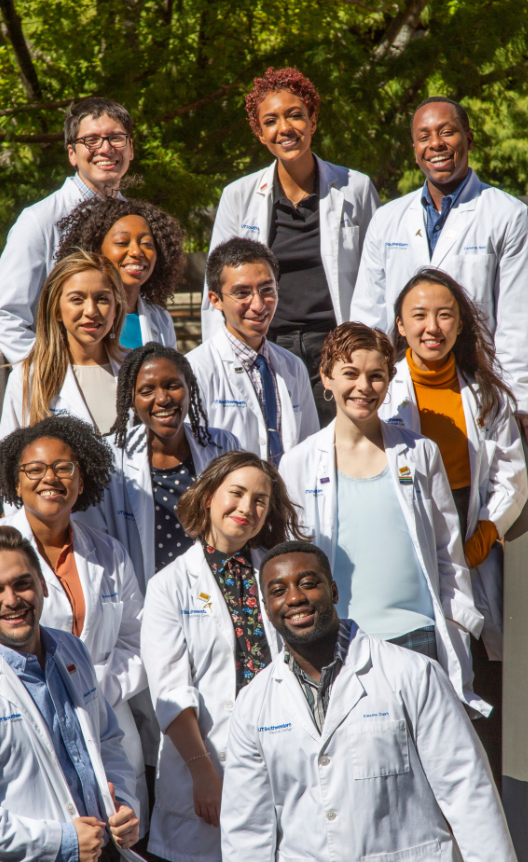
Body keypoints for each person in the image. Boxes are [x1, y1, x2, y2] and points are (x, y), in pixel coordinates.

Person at [220, 541, 516, 862]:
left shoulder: (413, 673)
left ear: (333, 591)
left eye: (308, 583)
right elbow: (247, 829)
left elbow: (466, 790)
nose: (294, 598)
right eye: (278, 591)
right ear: (266, 607)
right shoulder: (253, 704)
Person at [279, 322, 487, 716]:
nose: (364, 386)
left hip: (418, 638)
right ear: (325, 376)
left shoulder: (421, 452)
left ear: (390, 380)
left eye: (377, 375)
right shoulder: (299, 462)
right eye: (350, 374)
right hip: (342, 644)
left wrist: (456, 624)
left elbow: (448, 555)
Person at [0, 417, 149, 832]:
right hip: (16, 729)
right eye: (35, 469)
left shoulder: (109, 552)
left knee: (116, 831)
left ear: (82, 480)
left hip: (104, 721)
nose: (51, 479)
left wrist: (92, 690)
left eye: (64, 468)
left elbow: (136, 639)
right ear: (16, 481)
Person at [382, 267, 528, 783]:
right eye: (419, 315)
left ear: (461, 324)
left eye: (445, 315)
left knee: (481, 679)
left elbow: (511, 474)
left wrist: (484, 535)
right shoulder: (383, 391)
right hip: (407, 555)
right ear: (399, 324)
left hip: (473, 546)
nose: (432, 327)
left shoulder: (487, 396)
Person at [141, 450, 308, 862]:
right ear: (209, 495)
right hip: (208, 765)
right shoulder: (170, 585)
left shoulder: (275, 575)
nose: (246, 508)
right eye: (236, 493)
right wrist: (203, 772)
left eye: (260, 500)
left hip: (280, 756)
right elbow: (171, 691)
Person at [202, 67, 380, 426]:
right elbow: (216, 282)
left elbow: (377, 275)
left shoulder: (355, 188)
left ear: (313, 120)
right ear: (260, 133)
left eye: (295, 115)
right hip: (269, 344)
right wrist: (215, 358)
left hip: (336, 345)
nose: (285, 128)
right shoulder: (239, 196)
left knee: (339, 444)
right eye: (271, 121)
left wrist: (369, 349)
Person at [0, 525, 142, 862]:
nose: (11, 600)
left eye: (22, 583)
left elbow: (107, 741)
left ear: (42, 584)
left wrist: (124, 804)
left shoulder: (70, 649)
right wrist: (61, 842)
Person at [351, 96, 528, 428]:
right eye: (424, 136)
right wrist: (365, 385)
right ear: (414, 147)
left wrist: (518, 401)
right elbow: (367, 313)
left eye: (447, 132)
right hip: (401, 387)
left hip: (478, 386)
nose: (436, 144)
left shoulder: (509, 215)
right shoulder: (387, 218)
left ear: (469, 139)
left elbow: (518, 318)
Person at [76, 344, 240, 594]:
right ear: (131, 399)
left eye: (172, 385)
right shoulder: (109, 456)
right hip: (142, 596)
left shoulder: (222, 445)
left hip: (214, 588)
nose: (162, 399)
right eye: (147, 390)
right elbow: (94, 541)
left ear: (189, 389)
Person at [0, 97, 134, 365]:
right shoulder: (39, 220)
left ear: (131, 149)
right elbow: (4, 315)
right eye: (91, 140)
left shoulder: (136, 220)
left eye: (116, 138)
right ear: (72, 154)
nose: (106, 148)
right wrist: (54, 374)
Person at [188, 238, 319, 465]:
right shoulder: (195, 369)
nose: (258, 305)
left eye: (267, 289)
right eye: (241, 293)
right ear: (216, 300)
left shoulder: (293, 366)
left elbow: (310, 447)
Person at [0, 251, 126, 440]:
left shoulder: (137, 369)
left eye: (102, 299)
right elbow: (8, 463)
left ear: (116, 308)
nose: (91, 311)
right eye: (77, 299)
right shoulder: (29, 379)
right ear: (56, 310)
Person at [56, 197, 185, 350]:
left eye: (147, 244)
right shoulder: (78, 317)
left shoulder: (161, 320)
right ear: (96, 249)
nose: (136, 252)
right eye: (122, 243)